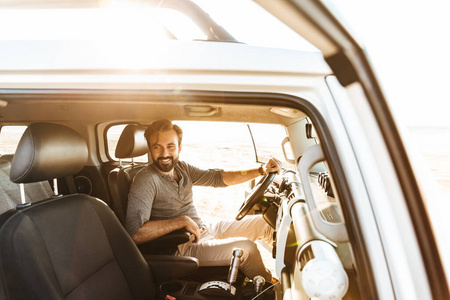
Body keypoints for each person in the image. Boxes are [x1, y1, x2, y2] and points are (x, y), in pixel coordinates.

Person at [126, 119, 282, 282]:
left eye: (170, 146)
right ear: (150, 149)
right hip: (183, 245)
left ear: (179, 148)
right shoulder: (146, 179)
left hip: (204, 229)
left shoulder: (182, 168)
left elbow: (217, 178)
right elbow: (135, 233)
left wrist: (261, 170)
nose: (164, 154)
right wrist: (182, 222)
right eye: (157, 147)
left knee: (267, 224)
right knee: (247, 248)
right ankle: (271, 288)